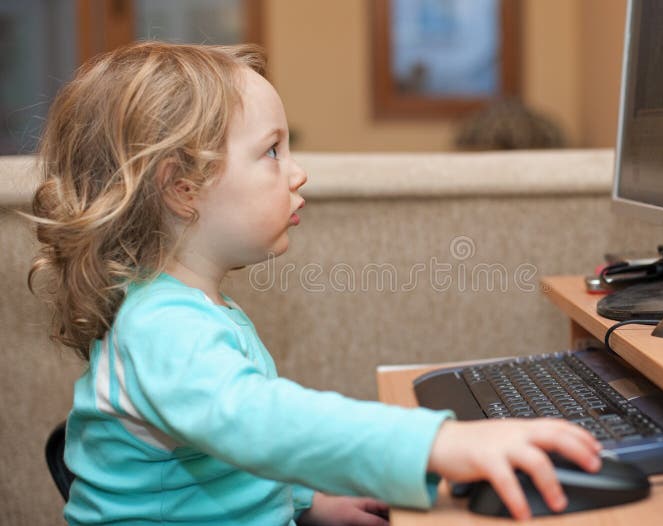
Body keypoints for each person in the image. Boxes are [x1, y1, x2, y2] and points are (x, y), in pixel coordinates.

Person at [27, 42, 601, 525]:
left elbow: (226, 453)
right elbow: (263, 423)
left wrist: (308, 503)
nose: (298, 172)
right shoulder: (162, 327)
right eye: (272, 151)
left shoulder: (192, 307)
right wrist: (440, 444)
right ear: (183, 187)